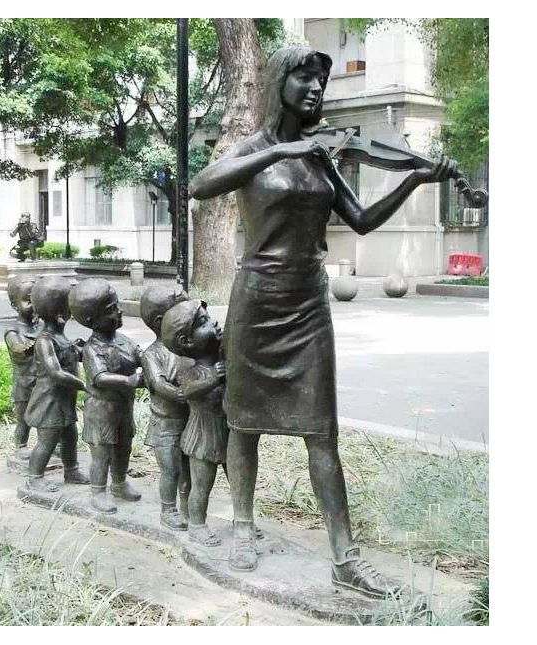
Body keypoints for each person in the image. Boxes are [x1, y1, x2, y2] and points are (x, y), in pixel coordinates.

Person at [189, 46, 458, 596]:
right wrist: (280, 150)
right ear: (278, 82)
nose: (316, 88)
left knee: (321, 430)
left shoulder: (321, 155)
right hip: (257, 301)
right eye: (305, 77)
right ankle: (243, 525)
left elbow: (360, 219)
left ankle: (345, 557)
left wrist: (414, 180)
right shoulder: (257, 148)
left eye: (321, 80)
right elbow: (201, 184)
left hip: (307, 303)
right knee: (244, 422)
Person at [69, 279, 144, 514]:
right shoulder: (93, 348)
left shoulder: (125, 341)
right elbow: (100, 377)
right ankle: (98, 491)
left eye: (117, 305)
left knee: (123, 448)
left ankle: (119, 483)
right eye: (111, 309)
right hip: (101, 411)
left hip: (123, 408)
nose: (119, 311)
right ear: (91, 320)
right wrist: (128, 381)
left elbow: (141, 356)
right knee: (101, 454)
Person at [161, 300, 227, 547]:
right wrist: (214, 378)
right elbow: (188, 391)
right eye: (203, 322)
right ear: (187, 342)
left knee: (238, 481)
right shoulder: (192, 371)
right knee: (201, 486)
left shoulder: (223, 359)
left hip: (227, 431)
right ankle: (197, 524)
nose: (214, 323)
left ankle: (244, 522)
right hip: (203, 435)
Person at [23, 276, 90, 491]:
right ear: (62, 314)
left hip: (63, 401)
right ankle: (34, 477)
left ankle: (71, 470)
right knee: (47, 441)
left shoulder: (62, 338)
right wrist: (83, 385)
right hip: (48, 402)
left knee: (70, 436)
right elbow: (56, 373)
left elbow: (72, 355)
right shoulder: (45, 341)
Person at [139, 286, 193, 530]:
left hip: (190, 421)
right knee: (171, 470)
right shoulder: (152, 354)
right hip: (165, 426)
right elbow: (159, 384)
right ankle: (168, 509)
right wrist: (183, 393)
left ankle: (188, 507)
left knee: (188, 470)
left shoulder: (188, 347)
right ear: (161, 321)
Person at [4, 275, 40, 455]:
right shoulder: (13, 330)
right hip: (24, 385)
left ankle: (47, 448)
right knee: (24, 421)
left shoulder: (42, 327)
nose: (34, 305)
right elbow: (17, 348)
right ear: (14, 305)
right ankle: (21, 447)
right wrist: (31, 345)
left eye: (37, 299)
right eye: (28, 300)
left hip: (42, 384)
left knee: (44, 419)